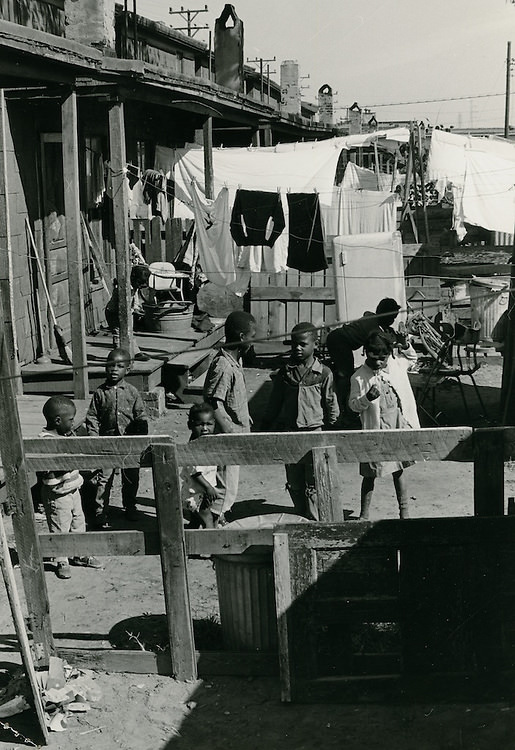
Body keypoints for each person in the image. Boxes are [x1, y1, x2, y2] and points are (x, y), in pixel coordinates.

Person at [262, 322, 339, 520]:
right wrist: (267, 423)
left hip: (314, 432)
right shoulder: (285, 373)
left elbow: (330, 402)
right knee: (294, 478)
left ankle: (313, 518)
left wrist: (332, 424)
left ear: (315, 344)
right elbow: (275, 402)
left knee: (313, 478)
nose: (297, 348)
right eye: (294, 344)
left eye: (302, 344)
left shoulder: (323, 373)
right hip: (290, 432)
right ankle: (300, 513)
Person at [349, 331, 419, 521]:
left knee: (398, 469)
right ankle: (364, 514)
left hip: (397, 427)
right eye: (374, 357)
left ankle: (404, 511)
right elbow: (353, 406)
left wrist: (405, 345)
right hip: (374, 431)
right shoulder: (358, 377)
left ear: (390, 353)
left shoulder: (396, 366)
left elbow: (412, 358)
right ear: (366, 353)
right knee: (370, 473)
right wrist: (367, 398)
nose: (379, 362)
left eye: (384, 357)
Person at [39, 396, 102, 579]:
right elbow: (54, 466)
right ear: (58, 421)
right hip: (57, 494)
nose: (73, 423)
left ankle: (79, 553)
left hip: (73, 489)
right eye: (71, 420)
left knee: (78, 521)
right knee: (61, 526)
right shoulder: (46, 440)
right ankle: (61, 559)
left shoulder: (65, 435)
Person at [86, 348, 148, 528]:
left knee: (131, 478)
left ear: (127, 370)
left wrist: (140, 433)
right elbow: (92, 416)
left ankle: (130, 506)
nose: (114, 369)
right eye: (110, 365)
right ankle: (100, 512)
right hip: (107, 443)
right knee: (104, 479)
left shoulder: (132, 392)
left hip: (128, 443)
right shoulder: (100, 393)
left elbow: (141, 415)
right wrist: (94, 436)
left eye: (119, 366)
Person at [203, 311, 256, 523]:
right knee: (224, 483)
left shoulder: (235, 360)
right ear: (242, 337)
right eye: (253, 336)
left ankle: (219, 515)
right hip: (227, 437)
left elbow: (233, 398)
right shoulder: (223, 365)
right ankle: (214, 521)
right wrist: (230, 431)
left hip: (237, 432)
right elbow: (214, 403)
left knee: (230, 481)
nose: (254, 341)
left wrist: (245, 417)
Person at [326, 298, 405, 426]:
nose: (393, 321)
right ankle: (344, 410)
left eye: (394, 318)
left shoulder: (372, 318)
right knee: (345, 375)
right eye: (391, 317)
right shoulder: (373, 327)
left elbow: (366, 313)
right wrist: (397, 338)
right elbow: (384, 340)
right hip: (339, 342)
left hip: (340, 339)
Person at [181, 403, 225, 529]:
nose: (205, 428)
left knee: (195, 521)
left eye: (209, 424)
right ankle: (211, 545)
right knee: (208, 520)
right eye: (200, 424)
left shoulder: (208, 445)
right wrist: (209, 488)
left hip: (200, 491)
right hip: (196, 493)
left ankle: (190, 544)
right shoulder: (193, 448)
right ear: (190, 425)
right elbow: (195, 473)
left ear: (214, 424)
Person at [104, 271, 150, 362]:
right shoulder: (123, 288)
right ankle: (118, 354)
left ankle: (136, 352)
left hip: (128, 312)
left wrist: (136, 308)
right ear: (134, 279)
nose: (141, 286)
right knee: (118, 333)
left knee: (130, 332)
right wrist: (132, 311)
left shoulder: (135, 287)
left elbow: (135, 298)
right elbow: (121, 305)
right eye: (140, 283)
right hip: (114, 313)